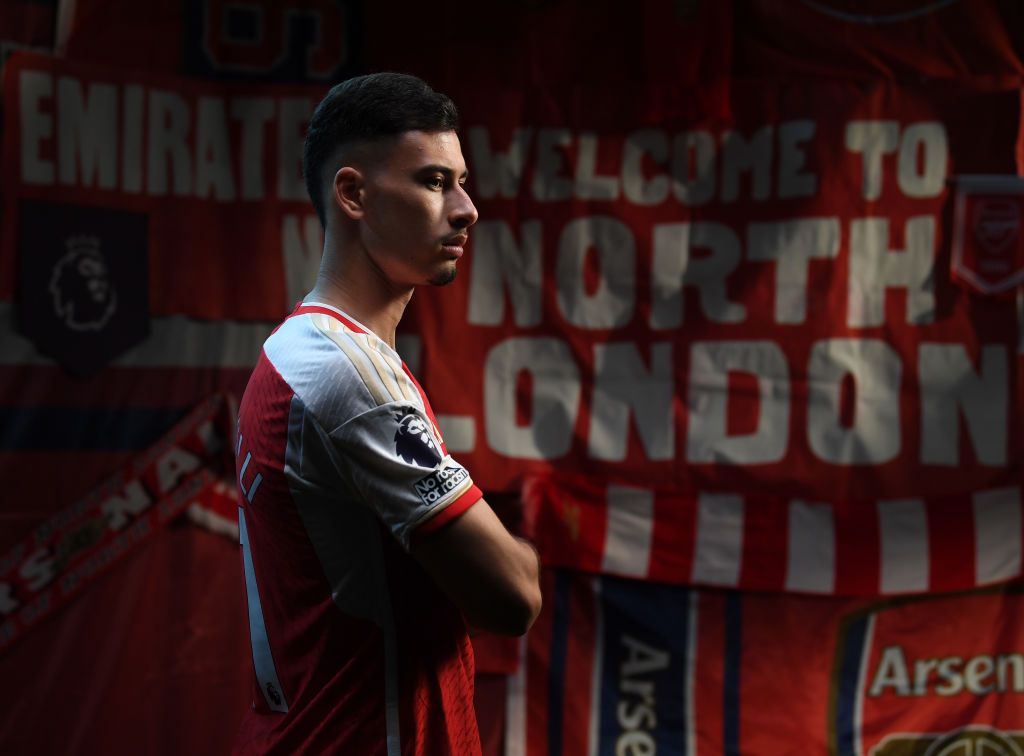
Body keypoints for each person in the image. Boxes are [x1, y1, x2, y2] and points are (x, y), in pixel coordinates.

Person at [233, 73, 542, 755]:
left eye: (462, 181)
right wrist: (522, 553)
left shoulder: (294, 353)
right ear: (353, 194)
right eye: (435, 182)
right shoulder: (348, 374)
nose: (467, 208)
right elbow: (512, 599)